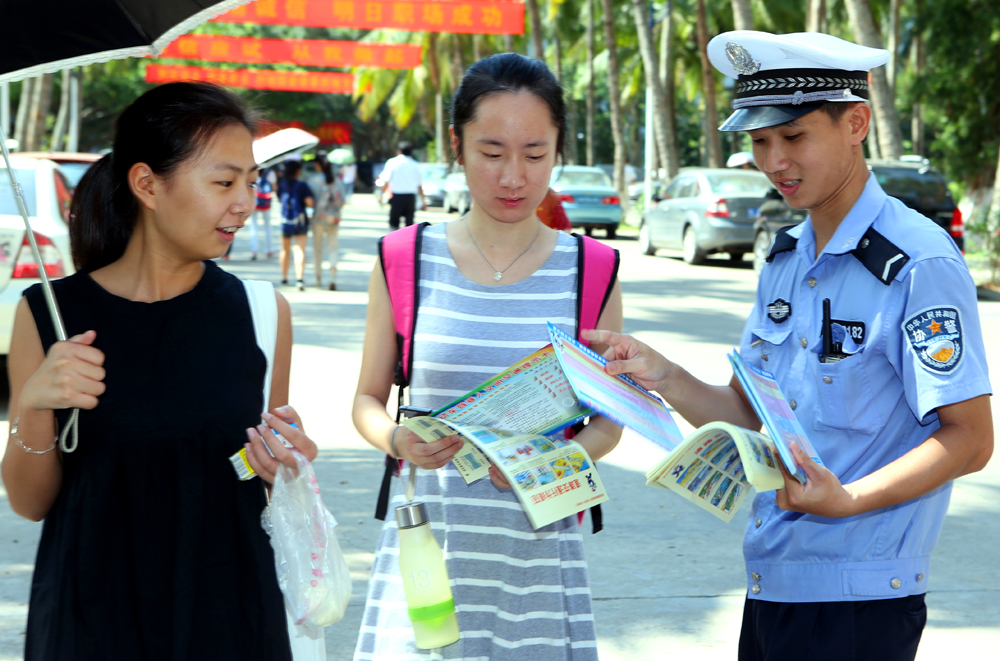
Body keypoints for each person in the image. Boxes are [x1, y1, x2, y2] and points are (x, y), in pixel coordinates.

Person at [587, 31, 993, 661]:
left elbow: (970, 438)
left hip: (860, 600)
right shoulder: (786, 258)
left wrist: (849, 500)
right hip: (773, 581)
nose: (774, 160)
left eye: (794, 136)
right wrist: (662, 375)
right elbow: (751, 412)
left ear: (856, 123)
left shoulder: (917, 262)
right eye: (759, 141)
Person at [0, 82, 320, 660]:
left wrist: (284, 467)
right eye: (224, 182)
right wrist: (34, 405)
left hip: (229, 617)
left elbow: (258, 474)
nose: (245, 202)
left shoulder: (261, 312)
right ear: (147, 184)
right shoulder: (49, 314)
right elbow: (29, 501)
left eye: (251, 181)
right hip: (88, 621)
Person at [352, 53, 624, 660]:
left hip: (539, 558)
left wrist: (553, 460)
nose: (513, 177)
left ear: (558, 150)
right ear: (457, 145)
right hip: (427, 555)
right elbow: (367, 399)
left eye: (535, 154)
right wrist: (397, 440)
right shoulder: (403, 257)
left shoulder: (593, 269)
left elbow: (609, 421)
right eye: (492, 152)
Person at [308, 153, 346, 290]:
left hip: (318, 219)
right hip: (333, 219)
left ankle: (318, 280)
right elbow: (342, 201)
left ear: (317, 165)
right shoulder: (337, 181)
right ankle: (332, 278)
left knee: (318, 249)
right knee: (333, 248)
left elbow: (309, 202)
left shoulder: (312, 181)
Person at [278, 159, 314, 291]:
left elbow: (279, 199)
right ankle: (299, 279)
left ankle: (284, 278)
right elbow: (310, 202)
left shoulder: (282, 185)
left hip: (285, 221)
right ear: (298, 171)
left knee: (285, 250)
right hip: (300, 221)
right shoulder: (302, 185)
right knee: (299, 250)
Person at [380, 141, 426, 229]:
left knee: (394, 225)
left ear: (399, 151)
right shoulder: (416, 165)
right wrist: (424, 200)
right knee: (409, 227)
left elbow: (386, 180)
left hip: (397, 197)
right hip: (410, 198)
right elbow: (419, 185)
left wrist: (381, 194)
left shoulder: (392, 162)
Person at [250, 166, 277, 260]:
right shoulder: (270, 173)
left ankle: (254, 251)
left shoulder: (251, 170)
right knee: (267, 227)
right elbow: (274, 187)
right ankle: (268, 250)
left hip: (254, 202)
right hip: (266, 203)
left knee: (253, 227)